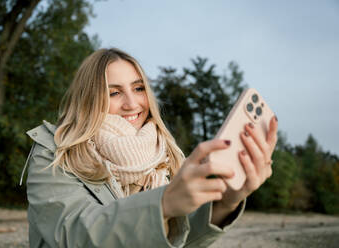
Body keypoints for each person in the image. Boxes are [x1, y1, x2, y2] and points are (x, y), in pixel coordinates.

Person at [22, 48, 278, 247]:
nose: (132, 103)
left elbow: (180, 240)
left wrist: (226, 203)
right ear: (89, 98)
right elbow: (72, 235)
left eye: (138, 88)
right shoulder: (54, 151)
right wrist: (163, 205)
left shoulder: (166, 154)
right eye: (114, 93)